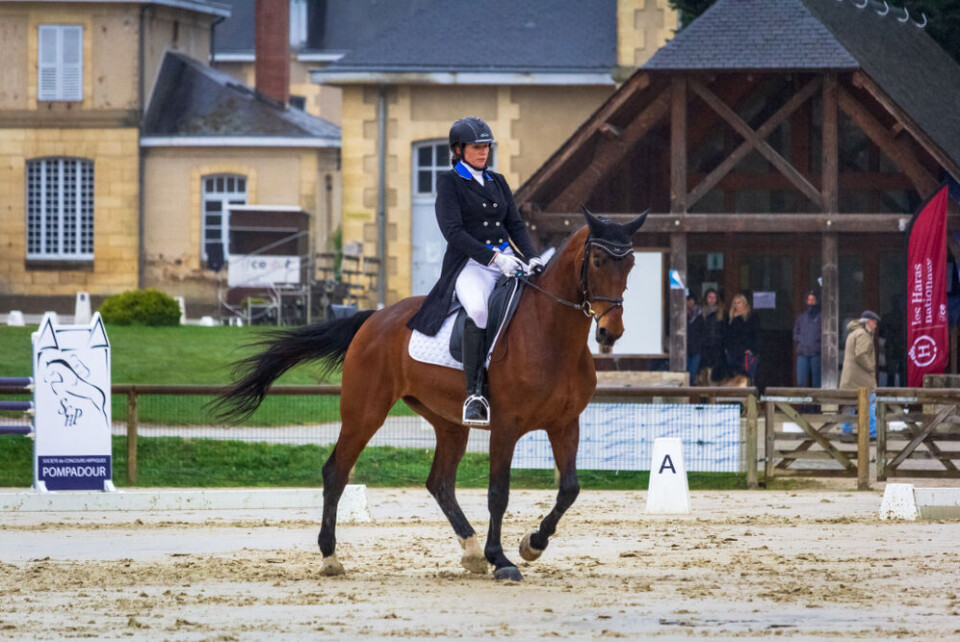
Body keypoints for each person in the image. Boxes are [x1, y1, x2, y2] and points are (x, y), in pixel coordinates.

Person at [407, 117, 542, 427]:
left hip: (508, 260)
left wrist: (531, 257)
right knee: (479, 311)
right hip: (471, 265)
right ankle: (475, 394)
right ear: (459, 149)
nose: (483, 153)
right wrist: (494, 259)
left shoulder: (498, 182)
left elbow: (515, 225)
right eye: (476, 148)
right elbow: (453, 232)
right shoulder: (450, 183)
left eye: (486, 147)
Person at [840, 310, 879, 437]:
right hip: (862, 377)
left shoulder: (854, 332)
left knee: (849, 405)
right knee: (871, 402)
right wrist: (871, 368)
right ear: (868, 322)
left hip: (850, 377)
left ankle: (846, 433)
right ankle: (872, 433)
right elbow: (861, 355)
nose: (876, 326)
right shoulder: (863, 334)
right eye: (874, 322)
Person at [725, 293, 760, 382]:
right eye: (735, 303)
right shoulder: (730, 318)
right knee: (734, 378)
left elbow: (756, 334)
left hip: (745, 353)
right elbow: (727, 335)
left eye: (739, 302)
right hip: (732, 353)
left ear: (744, 303)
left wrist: (752, 349)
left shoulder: (751, 317)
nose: (737, 305)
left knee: (745, 378)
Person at [793, 290, 822, 387]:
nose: (811, 302)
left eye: (813, 300)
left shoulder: (821, 317)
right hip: (803, 353)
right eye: (809, 300)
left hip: (816, 353)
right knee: (801, 382)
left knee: (816, 383)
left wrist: (817, 341)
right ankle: (802, 402)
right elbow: (795, 334)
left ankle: (816, 403)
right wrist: (802, 339)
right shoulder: (801, 317)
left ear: (817, 301)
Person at [700, 288, 726, 382]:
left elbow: (724, 331)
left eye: (714, 297)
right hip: (704, 347)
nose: (712, 299)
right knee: (705, 373)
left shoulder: (722, 313)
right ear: (706, 298)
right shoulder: (700, 312)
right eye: (710, 297)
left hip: (718, 347)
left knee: (716, 374)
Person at [686, 295, 705, 386]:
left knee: (692, 375)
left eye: (692, 301)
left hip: (696, 349)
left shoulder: (699, 316)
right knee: (683, 375)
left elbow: (703, 332)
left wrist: (699, 343)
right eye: (688, 300)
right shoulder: (679, 314)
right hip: (683, 350)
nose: (690, 303)